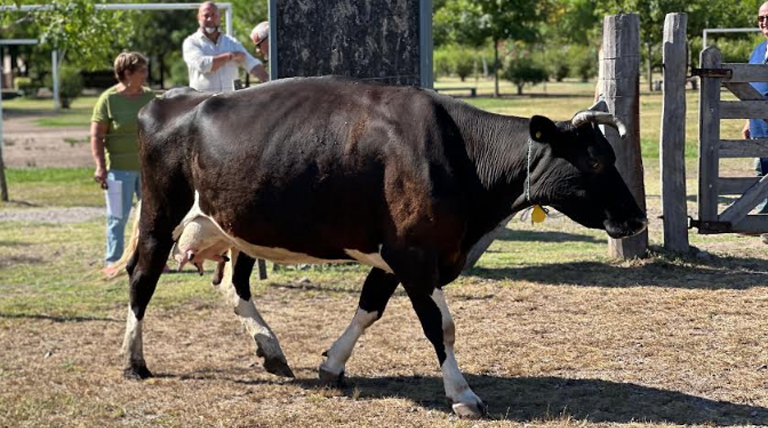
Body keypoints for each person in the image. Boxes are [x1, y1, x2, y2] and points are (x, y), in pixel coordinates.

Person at [90, 52, 158, 275]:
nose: (146, 74)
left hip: (148, 171)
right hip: (118, 171)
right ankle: (113, 262)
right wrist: (100, 166)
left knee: (151, 219)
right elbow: (96, 136)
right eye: (142, 70)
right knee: (117, 218)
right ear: (127, 73)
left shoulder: (150, 98)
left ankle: (152, 261)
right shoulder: (108, 100)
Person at [183, 1, 269, 92]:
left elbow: (251, 63)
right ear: (198, 18)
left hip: (229, 103)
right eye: (206, 15)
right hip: (203, 103)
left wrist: (268, 80)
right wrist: (230, 56)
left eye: (213, 15)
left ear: (219, 17)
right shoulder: (191, 42)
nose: (210, 19)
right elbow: (203, 65)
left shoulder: (231, 42)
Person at [742, 1, 768, 237]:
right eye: (761, 18)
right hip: (759, 124)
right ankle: (763, 224)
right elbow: (752, 87)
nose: (764, 22)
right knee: (762, 171)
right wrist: (749, 120)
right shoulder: (758, 50)